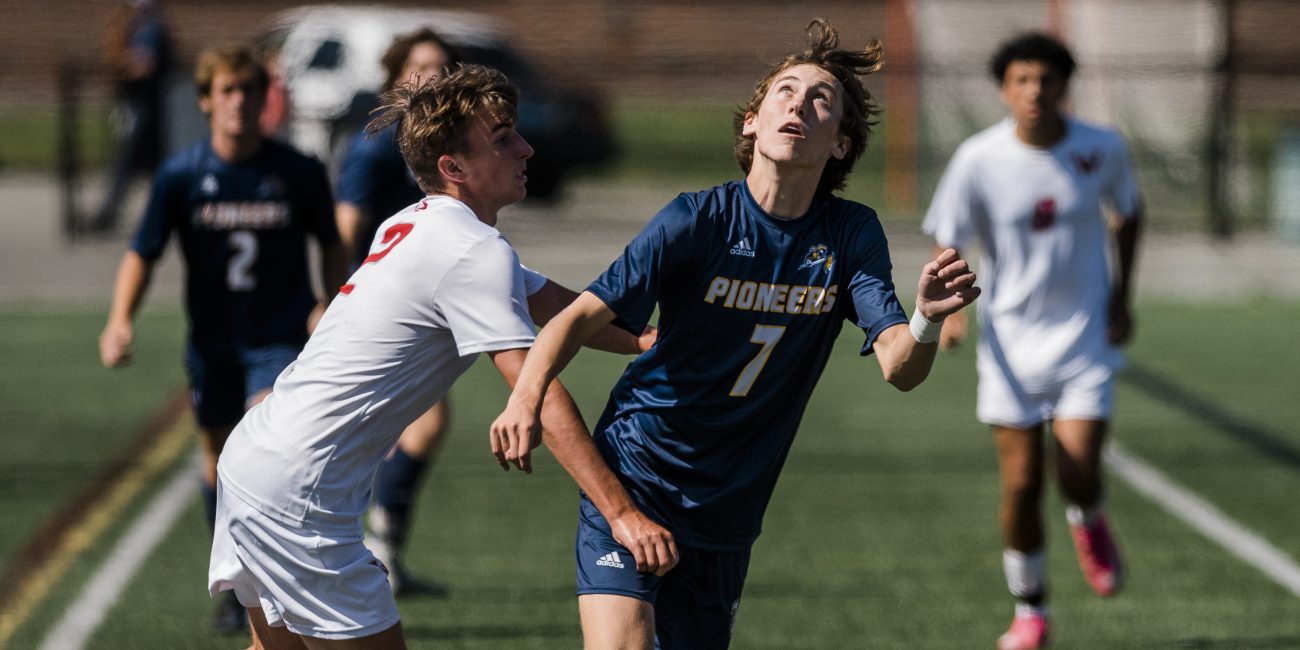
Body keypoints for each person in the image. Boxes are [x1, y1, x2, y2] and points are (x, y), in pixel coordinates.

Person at [491, 19, 981, 649]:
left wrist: (925, 319)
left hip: (729, 510)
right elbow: (575, 318)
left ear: (840, 145)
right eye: (785, 92)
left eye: (821, 100)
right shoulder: (695, 219)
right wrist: (525, 397)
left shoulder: (850, 234)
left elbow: (899, 368)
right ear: (752, 121)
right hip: (639, 470)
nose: (799, 104)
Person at [207, 64, 665, 648]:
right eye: (502, 140)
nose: (525, 148)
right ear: (454, 168)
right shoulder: (472, 251)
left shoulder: (420, 222)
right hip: (301, 490)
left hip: (256, 461)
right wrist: (621, 515)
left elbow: (556, 304)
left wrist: (646, 341)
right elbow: (538, 391)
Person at [98, 45, 350, 633]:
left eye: (250, 90)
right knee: (217, 460)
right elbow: (143, 250)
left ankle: (279, 588)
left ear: (266, 99)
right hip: (213, 345)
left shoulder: (297, 171)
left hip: (279, 341)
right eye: (228, 90)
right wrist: (119, 319)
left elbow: (331, 242)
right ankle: (239, 588)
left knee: (262, 449)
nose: (239, 101)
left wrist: (336, 304)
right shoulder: (182, 175)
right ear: (207, 100)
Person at [921, 32, 1142, 650]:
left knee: (1077, 469)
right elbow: (949, 234)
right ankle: (1031, 611)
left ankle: (1088, 517)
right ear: (1004, 89)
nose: (1034, 91)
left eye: (1046, 80)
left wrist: (1123, 295)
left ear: (1064, 87)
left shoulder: (1102, 148)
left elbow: (1129, 212)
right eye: (1022, 80)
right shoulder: (978, 158)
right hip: (1010, 344)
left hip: (1084, 339)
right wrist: (955, 313)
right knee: (1020, 484)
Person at [334, 28, 462, 596]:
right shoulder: (377, 146)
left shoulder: (445, 146)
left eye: (440, 68)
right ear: (394, 78)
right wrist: (330, 298)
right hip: (381, 313)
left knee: (419, 426)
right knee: (418, 424)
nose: (430, 79)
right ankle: (370, 554)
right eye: (419, 68)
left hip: (423, 307)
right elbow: (345, 228)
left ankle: (380, 554)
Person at [93, 0, 172, 233]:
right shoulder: (147, 25)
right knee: (150, 165)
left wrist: (126, 64)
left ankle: (108, 213)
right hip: (144, 105)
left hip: (143, 105)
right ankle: (167, 211)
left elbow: (145, 65)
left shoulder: (149, 28)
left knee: (128, 162)